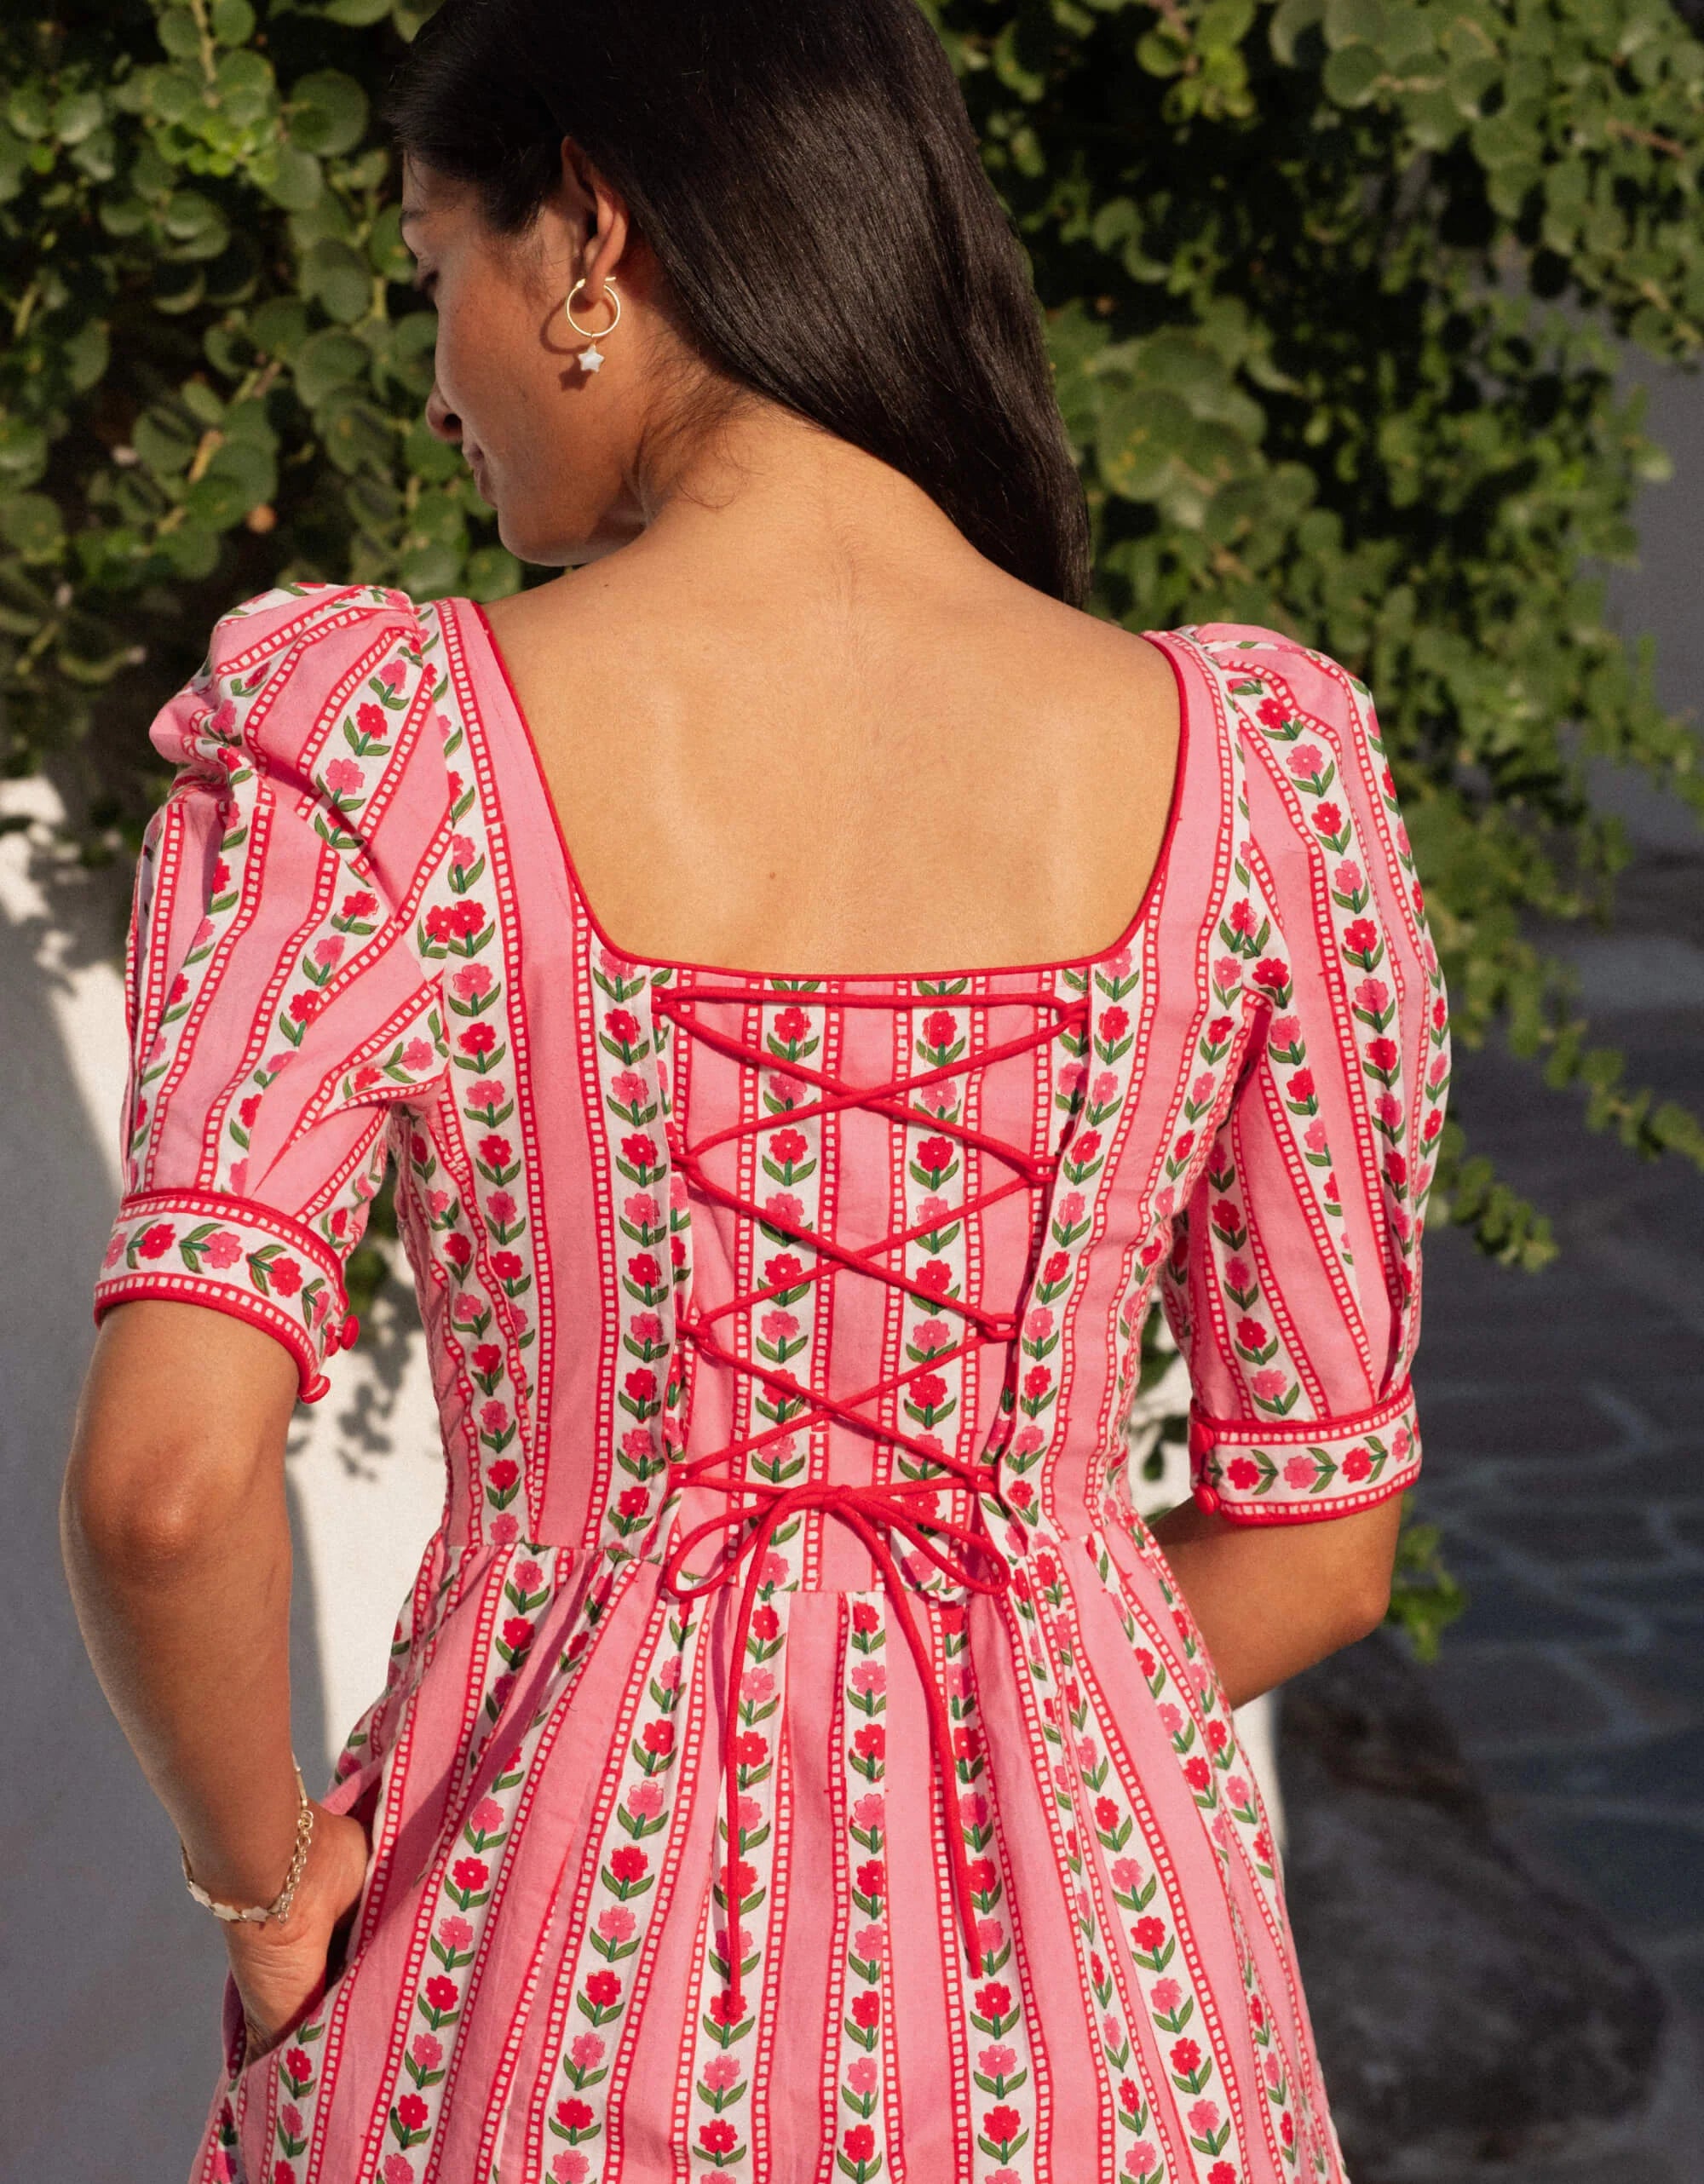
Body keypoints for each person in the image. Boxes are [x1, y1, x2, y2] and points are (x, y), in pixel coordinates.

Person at [60, 3, 1451, 2179]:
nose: (435, 384)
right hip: (1100, 2038)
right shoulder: (1256, 781)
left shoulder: (386, 758)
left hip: (527, 2008)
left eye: (434, 270)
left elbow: (164, 1486)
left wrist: (263, 1885)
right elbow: (1320, 1542)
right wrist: (967, 1736)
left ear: (587, 234)